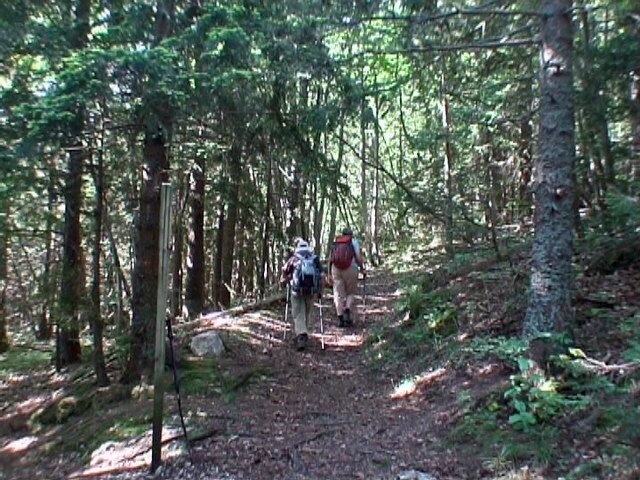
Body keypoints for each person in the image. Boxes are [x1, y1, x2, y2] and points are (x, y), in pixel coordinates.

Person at [281, 239, 324, 351]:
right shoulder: (314, 259)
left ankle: (301, 335)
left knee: (298, 313)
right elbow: (322, 275)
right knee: (307, 312)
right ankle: (303, 333)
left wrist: (285, 281)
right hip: (311, 291)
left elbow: (285, 272)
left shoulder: (294, 259)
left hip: (296, 291)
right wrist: (320, 291)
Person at [328, 227, 365, 327]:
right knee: (350, 292)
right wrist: (362, 269)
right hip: (351, 267)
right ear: (351, 235)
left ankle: (340, 318)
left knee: (338, 294)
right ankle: (347, 309)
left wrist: (328, 273)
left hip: (336, 268)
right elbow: (358, 257)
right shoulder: (354, 242)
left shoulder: (336, 242)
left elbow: (330, 259)